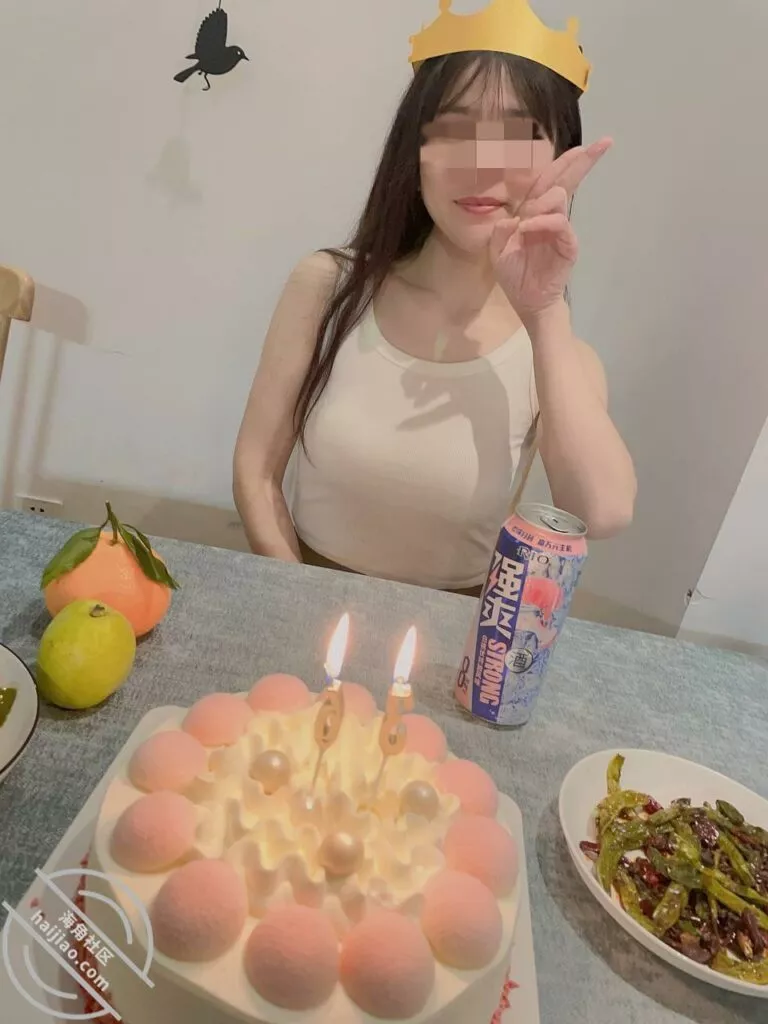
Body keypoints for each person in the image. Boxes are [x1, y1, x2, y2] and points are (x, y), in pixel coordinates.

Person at [234, 4, 636, 597]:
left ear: (560, 160)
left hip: (453, 637)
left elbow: (602, 512)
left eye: (520, 136)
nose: (482, 165)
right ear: (415, 149)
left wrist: (545, 310)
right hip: (303, 609)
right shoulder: (327, 288)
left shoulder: (559, 354)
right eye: (454, 129)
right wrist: (299, 602)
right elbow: (256, 471)